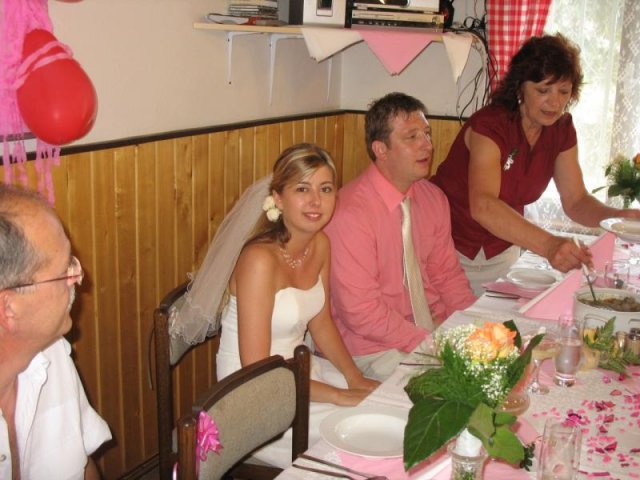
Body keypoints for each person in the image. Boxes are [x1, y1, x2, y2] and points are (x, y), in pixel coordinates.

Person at [171, 143, 379, 468]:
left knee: (380, 406)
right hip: (254, 395)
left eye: (325, 189)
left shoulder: (320, 244)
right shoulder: (258, 260)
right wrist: (339, 395)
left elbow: (321, 321)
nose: (316, 201)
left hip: (298, 372)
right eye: (302, 189)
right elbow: (257, 367)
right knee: (356, 433)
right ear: (278, 199)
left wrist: (354, 377)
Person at [431, 33, 640, 295]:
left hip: (502, 251)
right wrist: (549, 245)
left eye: (564, 91)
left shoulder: (561, 130)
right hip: (449, 248)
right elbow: (483, 205)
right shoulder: (491, 125)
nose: (555, 102)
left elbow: (576, 200)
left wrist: (615, 217)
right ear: (520, 87)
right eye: (543, 90)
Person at [324, 92, 476, 381]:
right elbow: (361, 313)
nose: (427, 145)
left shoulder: (433, 198)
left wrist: (473, 326)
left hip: (427, 331)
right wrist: (429, 343)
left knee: (496, 367)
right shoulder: (350, 213)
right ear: (381, 149)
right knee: (455, 389)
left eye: (427, 134)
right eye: (412, 137)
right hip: (371, 347)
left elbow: (447, 275)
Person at [0, 184, 111, 479]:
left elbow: (83, 465)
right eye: (64, 271)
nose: (78, 277)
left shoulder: (52, 353)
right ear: (8, 308)